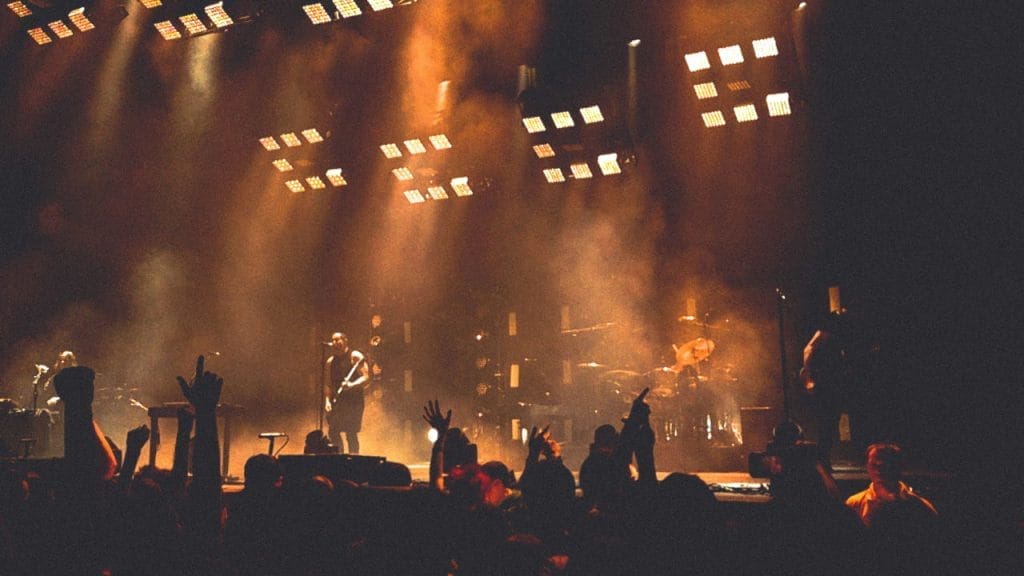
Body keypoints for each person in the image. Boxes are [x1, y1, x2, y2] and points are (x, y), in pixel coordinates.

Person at [845, 442, 937, 529]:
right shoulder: (855, 504)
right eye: (874, 465)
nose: (878, 471)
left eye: (885, 465)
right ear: (867, 466)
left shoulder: (919, 506)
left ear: (897, 467)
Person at [324, 332, 370, 454]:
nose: (334, 343)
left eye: (337, 340)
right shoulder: (330, 362)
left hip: (353, 401)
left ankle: (353, 460)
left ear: (345, 341)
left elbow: (366, 377)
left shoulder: (354, 356)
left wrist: (351, 385)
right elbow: (328, 384)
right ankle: (339, 458)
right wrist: (327, 401)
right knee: (333, 431)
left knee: (351, 433)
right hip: (337, 401)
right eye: (332, 340)